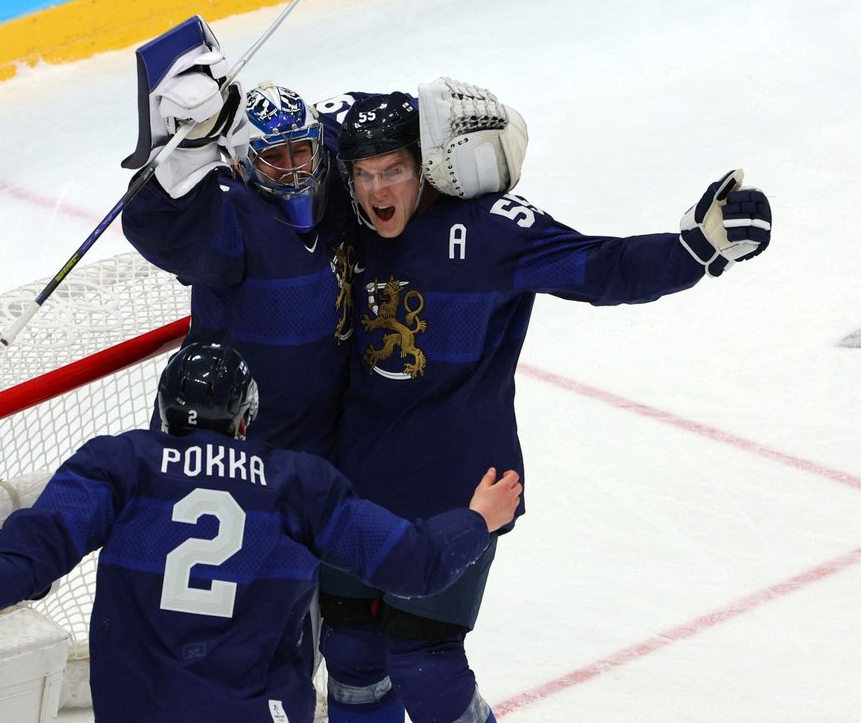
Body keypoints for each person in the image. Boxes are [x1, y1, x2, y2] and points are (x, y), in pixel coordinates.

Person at [313, 86, 772, 723]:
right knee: (352, 657)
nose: (375, 190)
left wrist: (695, 247)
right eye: (363, 175)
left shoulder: (492, 229)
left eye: (393, 171)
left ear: (429, 167)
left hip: (459, 490)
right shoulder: (339, 222)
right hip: (353, 484)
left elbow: (599, 267)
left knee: (425, 664)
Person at [0, 343, 523, 722]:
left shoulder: (121, 462)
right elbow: (417, 565)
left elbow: (30, 559)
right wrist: (476, 520)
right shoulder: (297, 482)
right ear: (246, 417)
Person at [120, 23, 523, 463]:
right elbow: (153, 221)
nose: (294, 170)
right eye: (273, 159)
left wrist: (449, 125)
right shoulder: (230, 219)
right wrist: (187, 148)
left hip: (325, 447)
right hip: (236, 447)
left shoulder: (336, 166)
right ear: (239, 165)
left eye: (301, 151)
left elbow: (381, 116)